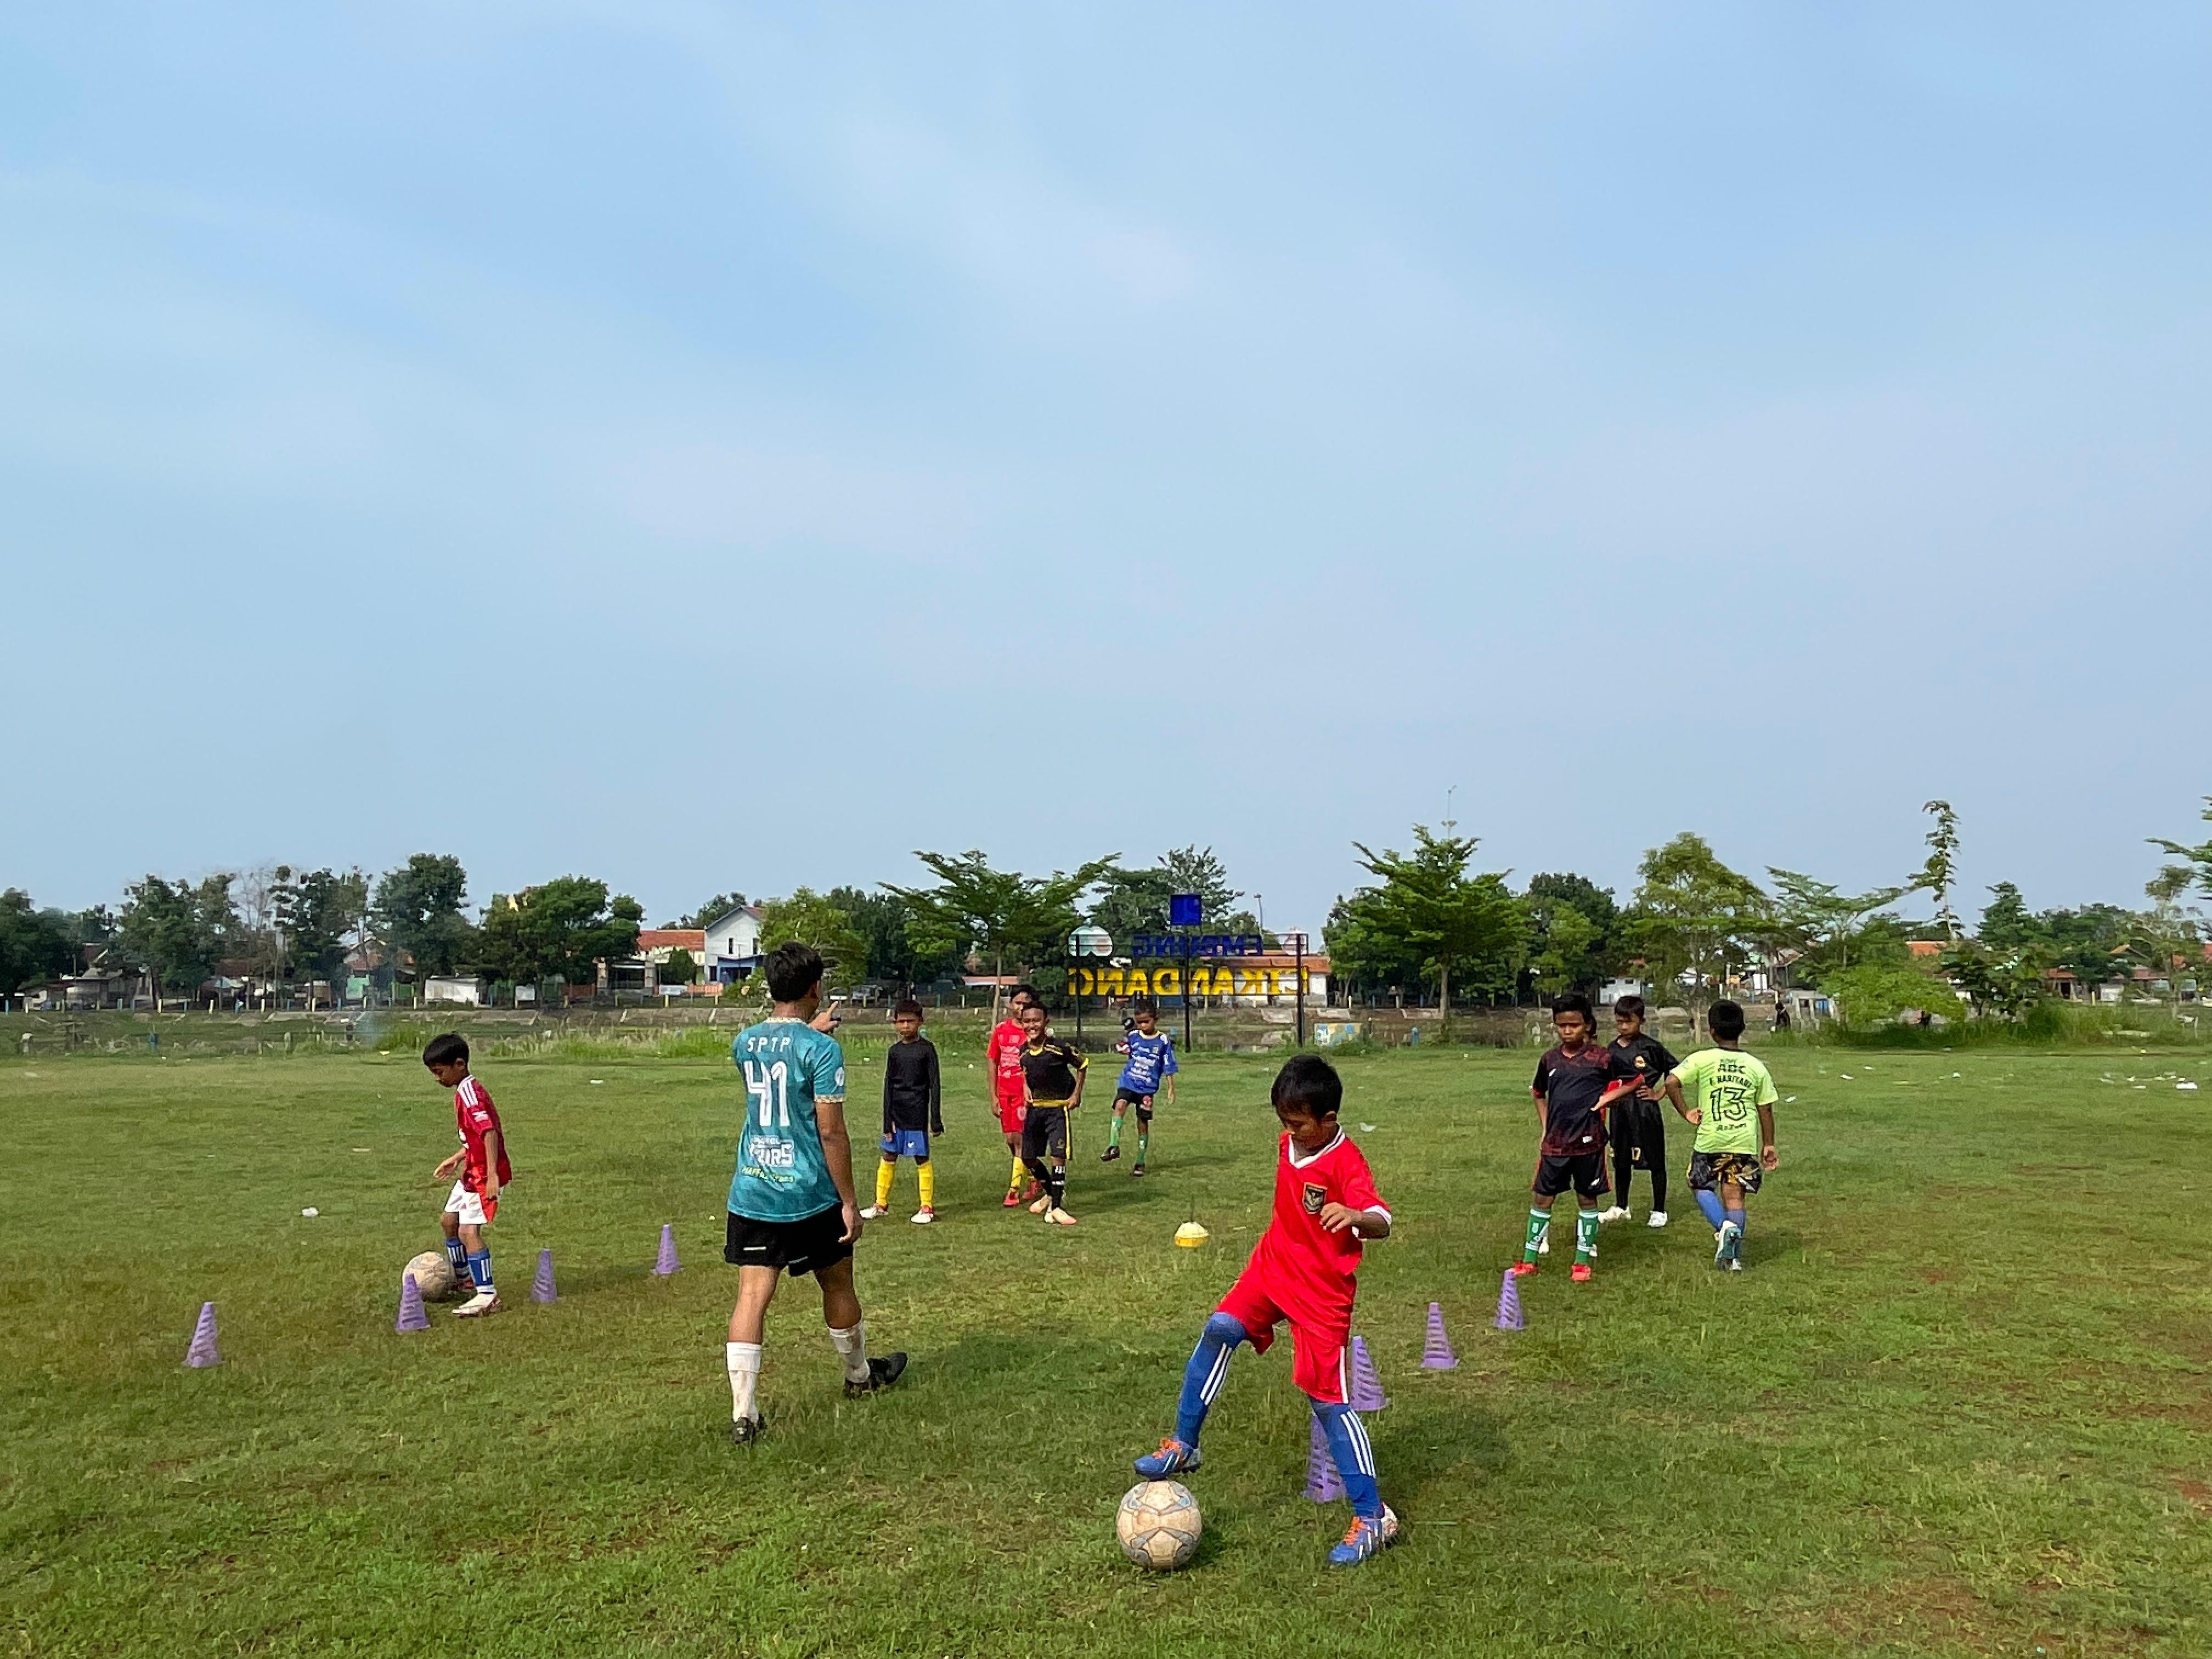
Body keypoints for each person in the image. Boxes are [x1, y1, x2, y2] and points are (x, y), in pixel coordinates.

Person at [1133, 1055, 1399, 1567]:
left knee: (1328, 1403)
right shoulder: (1289, 1144)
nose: (1291, 1133)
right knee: (1220, 1328)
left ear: (1329, 1119)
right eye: (1284, 1123)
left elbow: (1383, 1219)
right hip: (1273, 1269)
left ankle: (1373, 1517)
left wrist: (1356, 1215)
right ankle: (1185, 1445)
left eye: (1299, 1124)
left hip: (1322, 1295)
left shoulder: (1345, 1160)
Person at [723, 943, 907, 1445]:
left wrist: (808, 1031)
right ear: (815, 988)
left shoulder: (745, 1042)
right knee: (838, 1284)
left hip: (755, 1188)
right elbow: (831, 1132)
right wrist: (850, 1200)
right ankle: (858, 1377)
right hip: (809, 1192)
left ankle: (744, 1414)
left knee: (752, 1295)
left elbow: (777, 1061)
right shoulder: (822, 1050)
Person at [1516, 992, 1644, 1283]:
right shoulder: (1549, 1059)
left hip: (1590, 1142)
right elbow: (1538, 1093)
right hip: (1555, 1145)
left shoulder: (1602, 1058)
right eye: (1562, 1026)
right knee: (1542, 1199)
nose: (1567, 1031)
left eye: (1574, 1025)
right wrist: (1546, 1127)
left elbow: (1636, 1080)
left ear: (1587, 1025)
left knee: (1587, 1199)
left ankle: (1582, 1261)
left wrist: (1609, 1097)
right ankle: (1529, 1260)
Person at [1665, 998, 1781, 1272]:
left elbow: (1671, 1082)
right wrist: (1768, 1144)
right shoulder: (1756, 1066)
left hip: (1710, 1139)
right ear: (1742, 1029)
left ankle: (1723, 1227)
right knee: (1735, 1198)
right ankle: (1734, 1259)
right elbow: (1765, 1108)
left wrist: (1686, 1112)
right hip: (1741, 1141)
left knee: (1698, 1184)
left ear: (1712, 1030)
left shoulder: (1702, 1059)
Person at [424, 1032, 509, 1318]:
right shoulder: (462, 1091)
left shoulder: (471, 1093)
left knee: (468, 1231)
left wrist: (493, 1177)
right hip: (471, 1169)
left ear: (459, 1065)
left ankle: (487, 1295)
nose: (437, 1078)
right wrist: (456, 1158)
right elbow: (473, 1137)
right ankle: (465, 1280)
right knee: (449, 1221)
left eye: (440, 1072)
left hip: (485, 1173)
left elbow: (488, 1132)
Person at [1599, 995, 1680, 1230]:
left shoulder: (1650, 1047)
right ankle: (1621, 1206)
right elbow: (1606, 1080)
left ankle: (1659, 1210)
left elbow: (1676, 1072)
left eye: (1629, 1022)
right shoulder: (1611, 1050)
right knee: (1621, 1160)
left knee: (1655, 1160)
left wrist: (1658, 1094)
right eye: (1619, 1022)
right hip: (1621, 1112)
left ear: (1641, 1021)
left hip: (1645, 1111)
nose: (1624, 1027)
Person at [862, 999, 943, 1224]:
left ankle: (926, 1207)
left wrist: (935, 1119)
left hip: (917, 1112)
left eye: (910, 1021)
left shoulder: (927, 1049)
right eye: (900, 1022)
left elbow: (934, 1085)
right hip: (896, 1112)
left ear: (920, 1022)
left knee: (921, 1157)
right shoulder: (894, 1051)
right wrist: (887, 1120)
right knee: (888, 1155)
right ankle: (881, 1204)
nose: (905, 1026)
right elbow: (888, 1086)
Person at [1017, 999, 1086, 1226]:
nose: (1031, 1025)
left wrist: (1076, 1095)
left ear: (1046, 1021)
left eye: (1036, 1021)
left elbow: (1083, 1065)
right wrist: (1026, 1088)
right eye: (1027, 1021)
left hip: (1057, 1109)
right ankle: (1051, 1193)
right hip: (1035, 1109)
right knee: (1028, 1157)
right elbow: (1026, 1071)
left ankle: (1056, 1207)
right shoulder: (1023, 1051)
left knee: (1058, 1155)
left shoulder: (1058, 1047)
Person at [1101, 998, 1176, 1176]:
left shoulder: (1163, 1041)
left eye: (1146, 1022)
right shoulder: (1134, 1036)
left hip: (1147, 1089)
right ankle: (1113, 1145)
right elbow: (1126, 1050)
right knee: (1120, 1106)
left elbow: (1168, 1064)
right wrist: (1122, 1046)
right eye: (1139, 1022)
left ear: (1155, 1019)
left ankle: (1140, 1161)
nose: (1143, 1026)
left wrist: (1171, 1087)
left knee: (1142, 1123)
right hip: (1129, 1082)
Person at [988, 985, 1040, 1209]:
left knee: (1019, 1138)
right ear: (1010, 1005)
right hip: (1004, 1092)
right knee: (1010, 1140)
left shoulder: (1032, 1032)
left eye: (1025, 1003)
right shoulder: (1001, 1030)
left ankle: (1013, 1189)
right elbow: (992, 1060)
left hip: (1023, 1093)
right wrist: (993, 1095)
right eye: (1017, 1003)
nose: (1021, 1007)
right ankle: (1034, 1178)